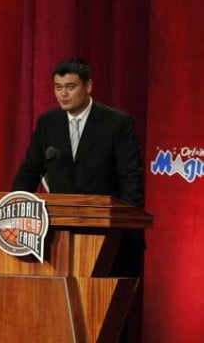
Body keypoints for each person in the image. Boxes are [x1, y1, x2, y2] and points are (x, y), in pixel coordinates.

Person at [12, 56, 145, 340]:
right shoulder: (48, 123)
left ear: (88, 86)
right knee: (63, 319)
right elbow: (29, 172)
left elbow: (131, 178)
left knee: (109, 324)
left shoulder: (117, 122)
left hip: (111, 240)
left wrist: (123, 225)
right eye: (58, 87)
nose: (63, 93)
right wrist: (13, 207)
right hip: (60, 240)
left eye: (70, 86)